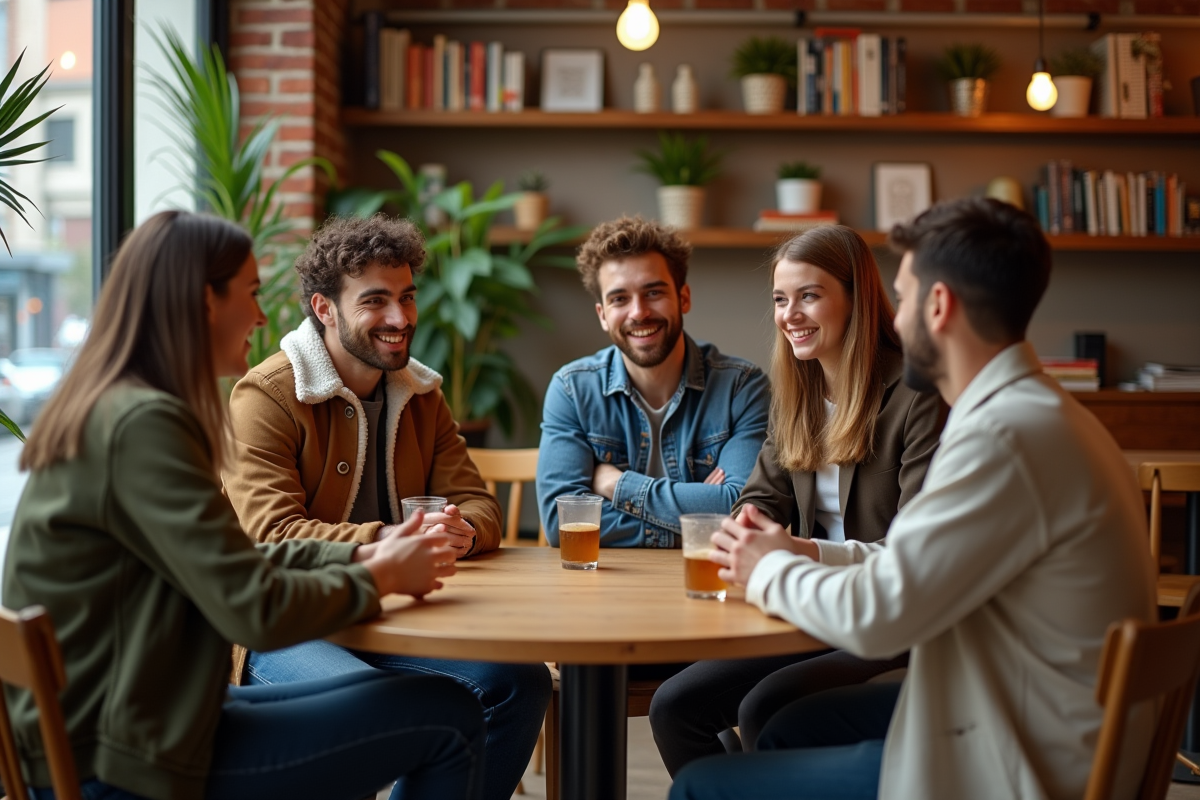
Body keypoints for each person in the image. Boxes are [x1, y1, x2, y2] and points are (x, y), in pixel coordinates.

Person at [670, 198, 1157, 800]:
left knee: (701, 786)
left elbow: (880, 617)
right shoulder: (1036, 415)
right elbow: (908, 560)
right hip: (1018, 705)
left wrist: (770, 567)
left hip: (1016, 760)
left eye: (901, 300)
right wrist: (794, 551)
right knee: (788, 726)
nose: (892, 322)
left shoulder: (1003, 440)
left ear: (939, 306)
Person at [3, 211, 484, 800]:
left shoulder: (125, 408)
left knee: (450, 702)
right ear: (205, 300)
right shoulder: (143, 425)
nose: (261, 315)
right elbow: (250, 610)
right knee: (445, 718)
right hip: (119, 762)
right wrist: (380, 571)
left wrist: (375, 549)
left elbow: (242, 560)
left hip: (141, 720)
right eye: (251, 293)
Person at [222, 215, 550, 800]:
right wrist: (393, 540)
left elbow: (477, 501)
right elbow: (271, 535)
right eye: (375, 301)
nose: (401, 319)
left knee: (516, 684)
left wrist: (461, 532)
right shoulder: (265, 396)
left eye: (406, 297)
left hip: (392, 615)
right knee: (367, 709)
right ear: (324, 309)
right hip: (287, 621)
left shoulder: (422, 394)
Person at [648, 226, 944, 776]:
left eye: (809, 295)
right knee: (674, 706)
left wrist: (797, 549)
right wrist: (745, 527)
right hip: (808, 608)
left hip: (886, 614)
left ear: (855, 299)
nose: (790, 315)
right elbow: (760, 498)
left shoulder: (915, 396)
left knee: (767, 705)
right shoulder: (798, 394)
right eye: (781, 300)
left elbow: (917, 550)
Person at [536, 216, 770, 549]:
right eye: (619, 299)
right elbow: (562, 524)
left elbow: (745, 513)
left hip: (711, 581)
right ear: (603, 315)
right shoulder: (572, 390)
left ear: (683, 297)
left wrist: (616, 486)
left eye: (654, 292)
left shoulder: (741, 389)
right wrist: (701, 515)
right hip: (605, 588)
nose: (639, 312)